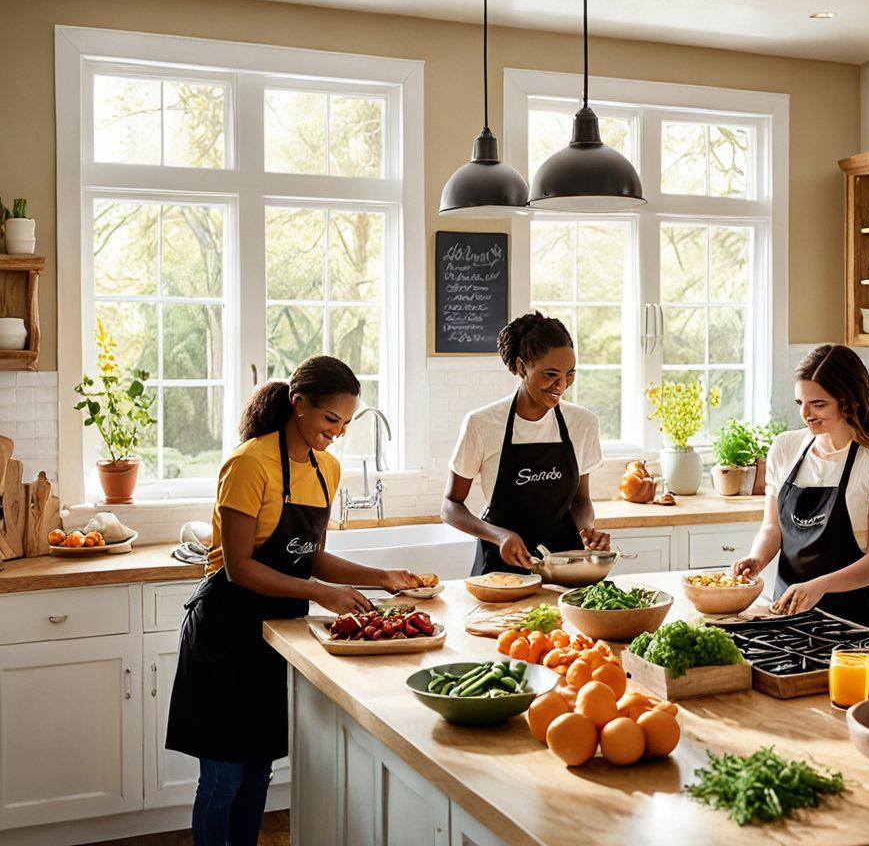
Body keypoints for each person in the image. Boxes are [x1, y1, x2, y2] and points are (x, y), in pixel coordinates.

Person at [166, 356, 420, 846]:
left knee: (258, 772)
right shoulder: (248, 464)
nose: (338, 433)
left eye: (345, 424)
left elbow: (311, 557)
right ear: (297, 404)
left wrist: (381, 578)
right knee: (223, 780)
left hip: (279, 634)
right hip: (226, 631)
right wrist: (322, 595)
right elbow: (241, 567)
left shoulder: (328, 467)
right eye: (331, 420)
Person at [732, 344, 869, 631]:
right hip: (787, 618)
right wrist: (757, 558)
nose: (806, 414)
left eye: (818, 404)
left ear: (847, 401)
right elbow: (772, 528)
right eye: (800, 402)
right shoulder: (785, 447)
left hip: (855, 625)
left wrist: (820, 587)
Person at [443, 311, 611, 574]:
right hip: (502, 570)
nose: (562, 385)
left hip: (564, 567)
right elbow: (450, 506)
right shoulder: (482, 423)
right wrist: (499, 536)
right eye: (550, 374)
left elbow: (581, 502)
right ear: (522, 368)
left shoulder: (582, 423)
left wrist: (585, 531)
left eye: (570, 374)